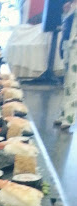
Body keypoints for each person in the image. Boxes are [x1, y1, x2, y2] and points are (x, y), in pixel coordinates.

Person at [55, 0, 77, 130]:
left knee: (73, 84)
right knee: (67, 83)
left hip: (75, 47)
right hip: (68, 46)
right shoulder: (71, 5)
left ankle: (69, 117)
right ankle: (64, 113)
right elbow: (66, 25)